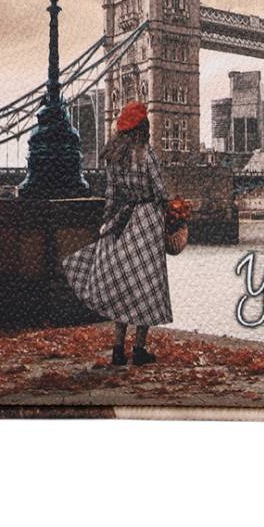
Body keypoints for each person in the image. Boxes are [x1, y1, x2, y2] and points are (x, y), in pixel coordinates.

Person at [63, 101, 173, 366]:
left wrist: (107, 223)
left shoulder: (114, 157)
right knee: (146, 285)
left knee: (123, 283)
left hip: (124, 219)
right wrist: (173, 215)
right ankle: (139, 349)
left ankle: (117, 349)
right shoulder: (146, 154)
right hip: (148, 220)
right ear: (143, 127)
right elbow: (160, 192)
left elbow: (111, 195)